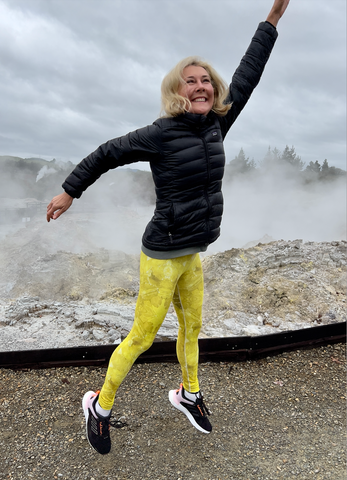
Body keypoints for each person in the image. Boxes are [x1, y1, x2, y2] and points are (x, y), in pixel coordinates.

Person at [47, 0, 290, 455]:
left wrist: (272, 20)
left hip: (194, 249)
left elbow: (249, 73)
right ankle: (98, 406)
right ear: (177, 92)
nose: (200, 87)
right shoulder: (160, 133)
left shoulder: (218, 123)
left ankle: (189, 394)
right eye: (190, 81)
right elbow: (106, 153)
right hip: (162, 253)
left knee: (192, 327)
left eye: (205, 81)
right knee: (142, 336)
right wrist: (69, 191)